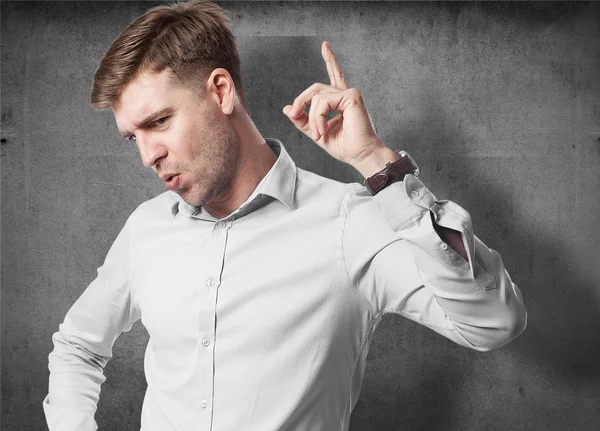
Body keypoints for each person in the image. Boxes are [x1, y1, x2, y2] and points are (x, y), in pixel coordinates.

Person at [43, 1, 527, 430]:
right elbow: (78, 346)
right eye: (134, 137)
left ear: (220, 90)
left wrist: (376, 164)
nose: (148, 155)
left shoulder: (348, 224)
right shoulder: (147, 228)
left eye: (159, 122)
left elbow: (494, 323)